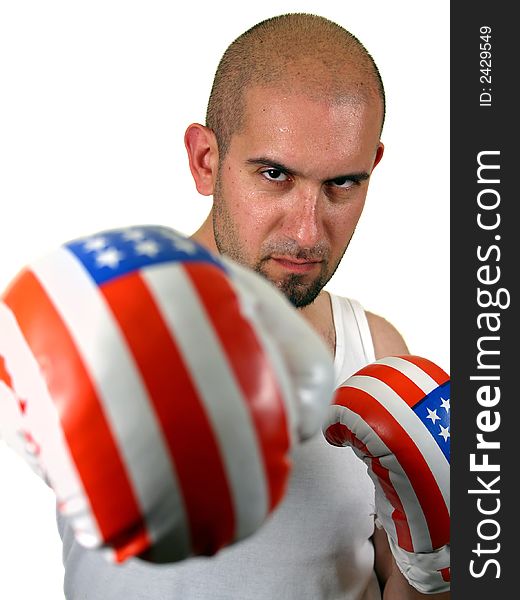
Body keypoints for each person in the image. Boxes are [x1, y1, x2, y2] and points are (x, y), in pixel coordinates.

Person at [55, 12, 449, 599]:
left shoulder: (379, 359)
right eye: (275, 175)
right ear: (205, 160)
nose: (308, 231)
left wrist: (435, 561)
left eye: (342, 183)